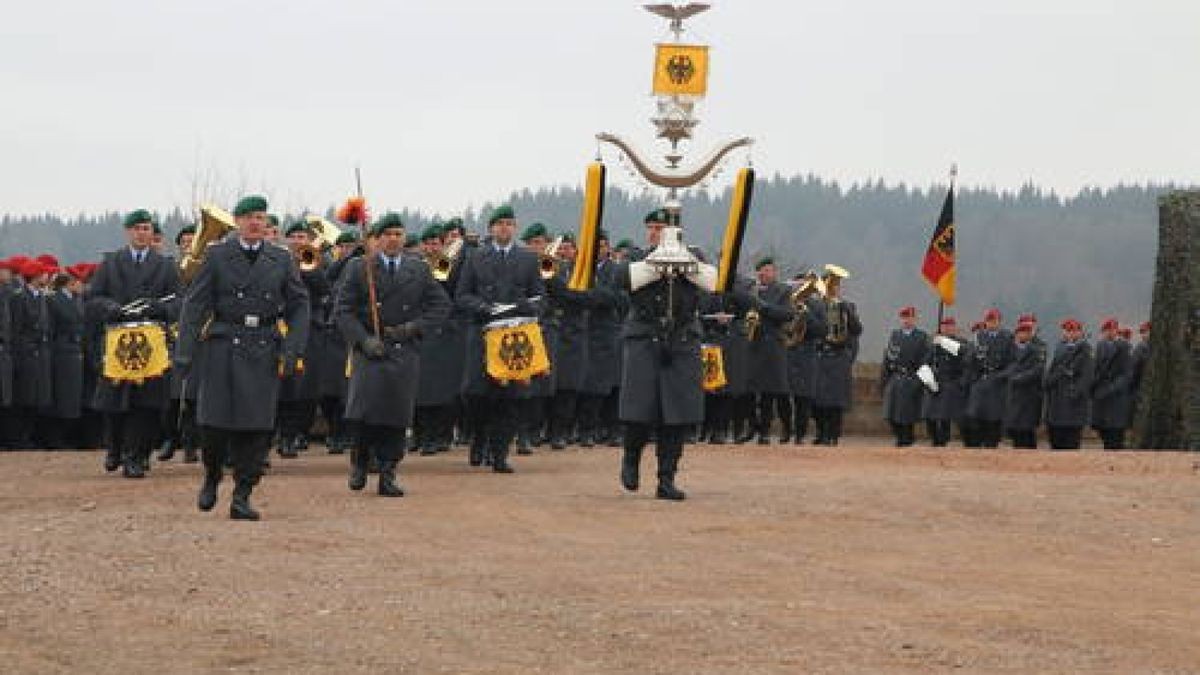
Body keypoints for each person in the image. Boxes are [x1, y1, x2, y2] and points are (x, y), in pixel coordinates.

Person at [175, 195, 310, 520]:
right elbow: (196, 303)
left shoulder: (281, 259)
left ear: (267, 223)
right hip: (224, 343)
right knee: (214, 424)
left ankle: (242, 494)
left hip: (263, 345)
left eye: (261, 217)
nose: (255, 223)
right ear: (237, 222)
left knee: (256, 427)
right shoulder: (218, 255)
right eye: (248, 217)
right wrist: (185, 350)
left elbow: (299, 305)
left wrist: (293, 348)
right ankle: (211, 475)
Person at [336, 213, 450, 495]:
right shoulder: (358, 268)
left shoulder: (419, 270)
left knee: (396, 418)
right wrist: (362, 340)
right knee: (363, 414)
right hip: (370, 351)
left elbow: (441, 306)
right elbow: (343, 311)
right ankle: (360, 462)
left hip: (402, 352)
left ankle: (388, 473)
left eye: (398, 234)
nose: (393, 239)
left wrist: (413, 328)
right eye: (387, 234)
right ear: (376, 239)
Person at [617, 208, 715, 500]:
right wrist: (655, 263)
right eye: (651, 227)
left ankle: (666, 478)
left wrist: (685, 262)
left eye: (660, 228)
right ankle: (631, 457)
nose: (654, 233)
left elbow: (711, 284)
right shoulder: (637, 257)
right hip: (645, 338)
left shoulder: (694, 257)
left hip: (681, 341)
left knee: (676, 414)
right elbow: (622, 279)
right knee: (638, 410)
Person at [87, 210, 180, 475]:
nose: (142, 233)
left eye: (147, 228)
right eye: (137, 228)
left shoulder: (165, 265)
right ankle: (115, 446)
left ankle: (136, 456)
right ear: (128, 232)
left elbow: (179, 302)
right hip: (119, 341)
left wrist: (157, 308)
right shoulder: (111, 263)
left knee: (146, 403)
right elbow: (93, 299)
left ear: (153, 233)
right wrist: (110, 307)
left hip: (151, 342)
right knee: (115, 401)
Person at [455, 205, 545, 473]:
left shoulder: (528, 259)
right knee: (478, 394)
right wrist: (483, 307)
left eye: (509, 223)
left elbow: (540, 295)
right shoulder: (475, 257)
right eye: (499, 223)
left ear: (515, 227)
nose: (504, 228)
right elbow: (461, 295)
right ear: (491, 228)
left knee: (512, 397)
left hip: (515, 336)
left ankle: (500, 453)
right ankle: (479, 438)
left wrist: (529, 307)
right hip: (484, 332)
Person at [275, 220, 331, 458]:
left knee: (304, 386)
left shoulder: (316, 261)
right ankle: (279, 434)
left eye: (302, 236)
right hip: (279, 327)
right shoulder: (277, 261)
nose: (298, 241)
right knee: (280, 385)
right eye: (294, 236)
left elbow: (324, 290)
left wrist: (309, 267)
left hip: (308, 330)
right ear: (287, 240)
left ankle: (295, 434)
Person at [745, 258, 795, 445]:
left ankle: (778, 429)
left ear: (774, 272)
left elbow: (788, 314)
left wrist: (764, 308)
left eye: (766, 270)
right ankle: (758, 429)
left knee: (775, 392)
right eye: (760, 271)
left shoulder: (783, 290)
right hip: (754, 346)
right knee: (755, 391)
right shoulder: (752, 291)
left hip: (774, 346)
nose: (763, 274)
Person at [811, 265, 862, 446]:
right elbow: (813, 329)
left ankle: (833, 434)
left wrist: (847, 311)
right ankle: (821, 432)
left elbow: (857, 330)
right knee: (818, 400)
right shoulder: (815, 307)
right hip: (821, 356)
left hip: (839, 357)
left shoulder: (848, 306)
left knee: (835, 401)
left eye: (835, 285)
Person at [783, 272, 828, 446]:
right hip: (787, 353)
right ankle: (787, 431)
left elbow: (822, 330)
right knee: (784, 396)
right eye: (798, 284)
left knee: (803, 398)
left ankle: (799, 435)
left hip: (806, 355)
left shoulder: (816, 306)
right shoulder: (786, 302)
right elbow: (781, 324)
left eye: (805, 285)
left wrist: (806, 313)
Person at [45, 267, 87, 448]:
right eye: (80, 282)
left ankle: (67, 437)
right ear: (71, 282)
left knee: (72, 399)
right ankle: (56, 439)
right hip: (61, 353)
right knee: (61, 397)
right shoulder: (54, 300)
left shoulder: (77, 300)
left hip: (74, 351)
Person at [965, 308, 1014, 448]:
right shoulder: (978, 336)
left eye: (994, 320)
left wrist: (1002, 375)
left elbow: (1013, 362)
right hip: (980, 381)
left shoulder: (1007, 337)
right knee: (976, 417)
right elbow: (969, 360)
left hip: (997, 383)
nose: (992, 323)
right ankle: (978, 445)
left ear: (999, 321)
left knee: (994, 418)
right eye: (989, 321)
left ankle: (992, 445)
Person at [880, 306, 928, 447]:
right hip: (895, 377)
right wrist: (884, 380)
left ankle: (906, 438)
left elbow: (925, 361)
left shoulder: (921, 337)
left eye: (910, 318)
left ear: (915, 319)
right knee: (891, 413)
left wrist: (919, 380)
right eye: (905, 318)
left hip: (911, 377)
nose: (907, 320)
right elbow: (889, 358)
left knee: (907, 414)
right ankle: (900, 435)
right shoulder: (895, 335)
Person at [1044, 318, 1093, 451]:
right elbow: (1052, 370)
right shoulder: (1060, 348)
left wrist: (1075, 393)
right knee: (1055, 442)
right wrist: (1049, 382)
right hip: (1056, 404)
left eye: (1073, 331)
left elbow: (1086, 377)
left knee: (1070, 444)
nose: (1070, 333)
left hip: (1073, 407)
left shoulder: (1085, 350)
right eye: (1067, 330)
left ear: (1079, 332)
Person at [922, 317, 971, 447]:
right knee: (929, 417)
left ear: (954, 328)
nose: (947, 328)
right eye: (944, 326)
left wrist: (944, 342)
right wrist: (928, 381)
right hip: (935, 384)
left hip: (952, 383)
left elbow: (964, 352)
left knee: (946, 417)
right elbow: (924, 364)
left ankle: (944, 441)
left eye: (950, 326)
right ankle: (936, 440)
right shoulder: (933, 344)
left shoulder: (961, 342)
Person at [1091, 317, 1134, 450]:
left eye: (1112, 330)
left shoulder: (1124, 347)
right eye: (1107, 330)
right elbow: (1097, 369)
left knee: (1115, 434)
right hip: (1101, 396)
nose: (1109, 332)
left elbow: (1127, 374)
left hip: (1116, 397)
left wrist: (1112, 388)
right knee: (1104, 432)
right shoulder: (1100, 346)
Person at [1003, 319, 1045, 448]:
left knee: (1027, 428)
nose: (1022, 335)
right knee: (1016, 429)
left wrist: (1020, 378)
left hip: (1029, 394)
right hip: (1015, 394)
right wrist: (1010, 375)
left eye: (1025, 332)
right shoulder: (1013, 348)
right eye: (1019, 332)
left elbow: (1037, 370)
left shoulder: (1036, 349)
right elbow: (1008, 364)